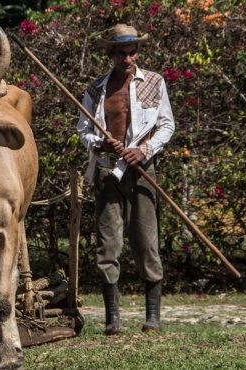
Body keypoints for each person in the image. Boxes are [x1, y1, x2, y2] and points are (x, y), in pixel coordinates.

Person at [76, 24, 175, 334]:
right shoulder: (96, 90)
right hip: (107, 171)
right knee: (108, 245)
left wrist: (143, 150)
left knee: (147, 241)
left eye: (133, 52)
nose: (128, 58)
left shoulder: (155, 83)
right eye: (122, 53)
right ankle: (112, 320)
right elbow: (83, 130)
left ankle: (153, 318)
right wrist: (99, 143)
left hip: (143, 170)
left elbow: (167, 126)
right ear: (111, 54)